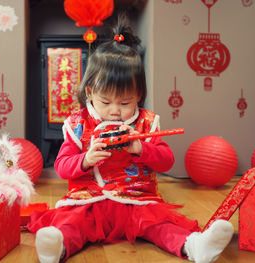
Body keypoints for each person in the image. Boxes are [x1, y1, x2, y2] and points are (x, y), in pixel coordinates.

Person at [27, 14, 234, 263]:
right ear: (90, 92)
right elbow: (61, 167)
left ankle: (194, 247)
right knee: (72, 222)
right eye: (105, 102)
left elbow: (166, 161)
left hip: (137, 199)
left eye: (125, 102)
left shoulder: (145, 122)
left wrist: (142, 148)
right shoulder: (77, 124)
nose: (115, 110)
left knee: (158, 224)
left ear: (138, 95)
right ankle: (56, 249)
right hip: (89, 200)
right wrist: (85, 159)